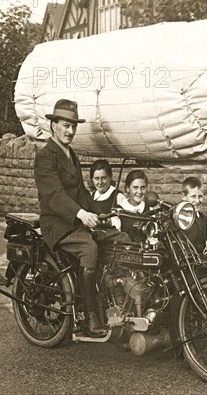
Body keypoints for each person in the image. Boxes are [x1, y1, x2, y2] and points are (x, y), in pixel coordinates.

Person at [34, 98, 107, 337]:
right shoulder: (46, 156)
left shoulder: (70, 154)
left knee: (115, 238)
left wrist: (100, 213)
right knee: (89, 249)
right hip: (57, 224)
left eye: (73, 126)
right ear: (53, 125)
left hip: (75, 219)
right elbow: (54, 195)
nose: (70, 131)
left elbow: (82, 192)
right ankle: (88, 315)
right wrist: (81, 214)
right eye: (66, 125)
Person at [88, 159, 126, 231]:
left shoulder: (118, 196)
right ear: (92, 179)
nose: (100, 182)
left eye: (104, 178)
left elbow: (125, 223)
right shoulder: (91, 196)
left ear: (110, 177)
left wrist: (111, 222)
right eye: (96, 178)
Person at [118, 169, 150, 242]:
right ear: (127, 188)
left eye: (143, 187)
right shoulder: (120, 210)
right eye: (135, 188)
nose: (139, 192)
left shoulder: (149, 209)